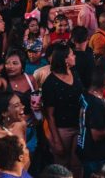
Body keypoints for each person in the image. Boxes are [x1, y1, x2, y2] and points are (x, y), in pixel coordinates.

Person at [43, 43, 84, 176]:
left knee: (77, 163)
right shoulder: (50, 83)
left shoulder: (75, 73)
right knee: (62, 166)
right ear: (65, 59)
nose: (74, 56)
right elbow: (49, 115)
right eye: (72, 54)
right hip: (62, 129)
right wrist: (56, 140)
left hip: (78, 125)